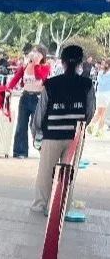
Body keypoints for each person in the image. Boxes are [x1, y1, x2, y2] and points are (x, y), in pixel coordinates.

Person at [30, 44, 95, 213]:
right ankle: (61, 208)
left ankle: (40, 205)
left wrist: (36, 133)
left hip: (52, 134)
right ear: (80, 62)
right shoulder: (87, 84)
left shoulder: (51, 83)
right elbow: (90, 111)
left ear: (63, 61)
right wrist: (80, 127)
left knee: (45, 173)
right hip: (75, 137)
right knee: (68, 175)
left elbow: (40, 112)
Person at [8, 44, 50, 158]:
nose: (34, 54)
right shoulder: (25, 66)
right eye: (33, 52)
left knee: (36, 126)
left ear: (43, 55)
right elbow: (16, 78)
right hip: (25, 97)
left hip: (38, 99)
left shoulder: (46, 67)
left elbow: (39, 76)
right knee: (21, 124)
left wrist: (37, 64)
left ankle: (43, 149)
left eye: (37, 52)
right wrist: (8, 89)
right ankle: (20, 152)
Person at [89, 58, 110, 137]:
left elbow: (99, 82)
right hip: (106, 94)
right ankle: (99, 131)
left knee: (99, 112)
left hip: (99, 93)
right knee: (103, 113)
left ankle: (91, 126)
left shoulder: (100, 72)